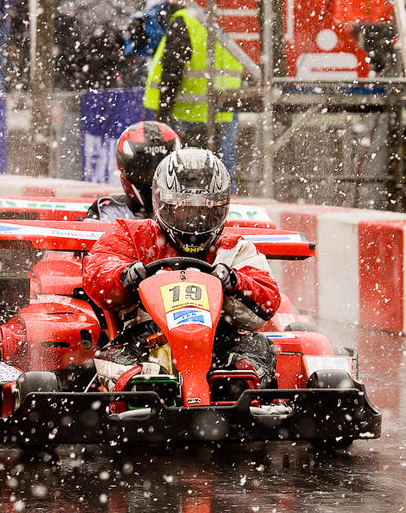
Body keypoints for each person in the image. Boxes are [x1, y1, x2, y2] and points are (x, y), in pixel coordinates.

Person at [81, 148, 281, 394]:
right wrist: (127, 275)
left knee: (260, 347)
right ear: (163, 205)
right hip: (145, 338)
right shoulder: (131, 235)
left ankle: (236, 387)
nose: (194, 222)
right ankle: (149, 388)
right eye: (184, 210)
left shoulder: (235, 248)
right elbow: (98, 272)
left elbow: (268, 302)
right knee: (114, 358)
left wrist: (234, 282)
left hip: (217, 338)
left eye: (204, 212)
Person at [142, 0, 244, 186]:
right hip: (224, 111)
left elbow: (172, 71)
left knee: (186, 181)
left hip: (189, 115)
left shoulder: (185, 20)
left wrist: (162, 112)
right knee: (222, 177)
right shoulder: (227, 19)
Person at [86, 120, 182, 221]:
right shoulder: (110, 214)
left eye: (162, 171)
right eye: (146, 172)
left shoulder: (188, 210)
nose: (154, 180)